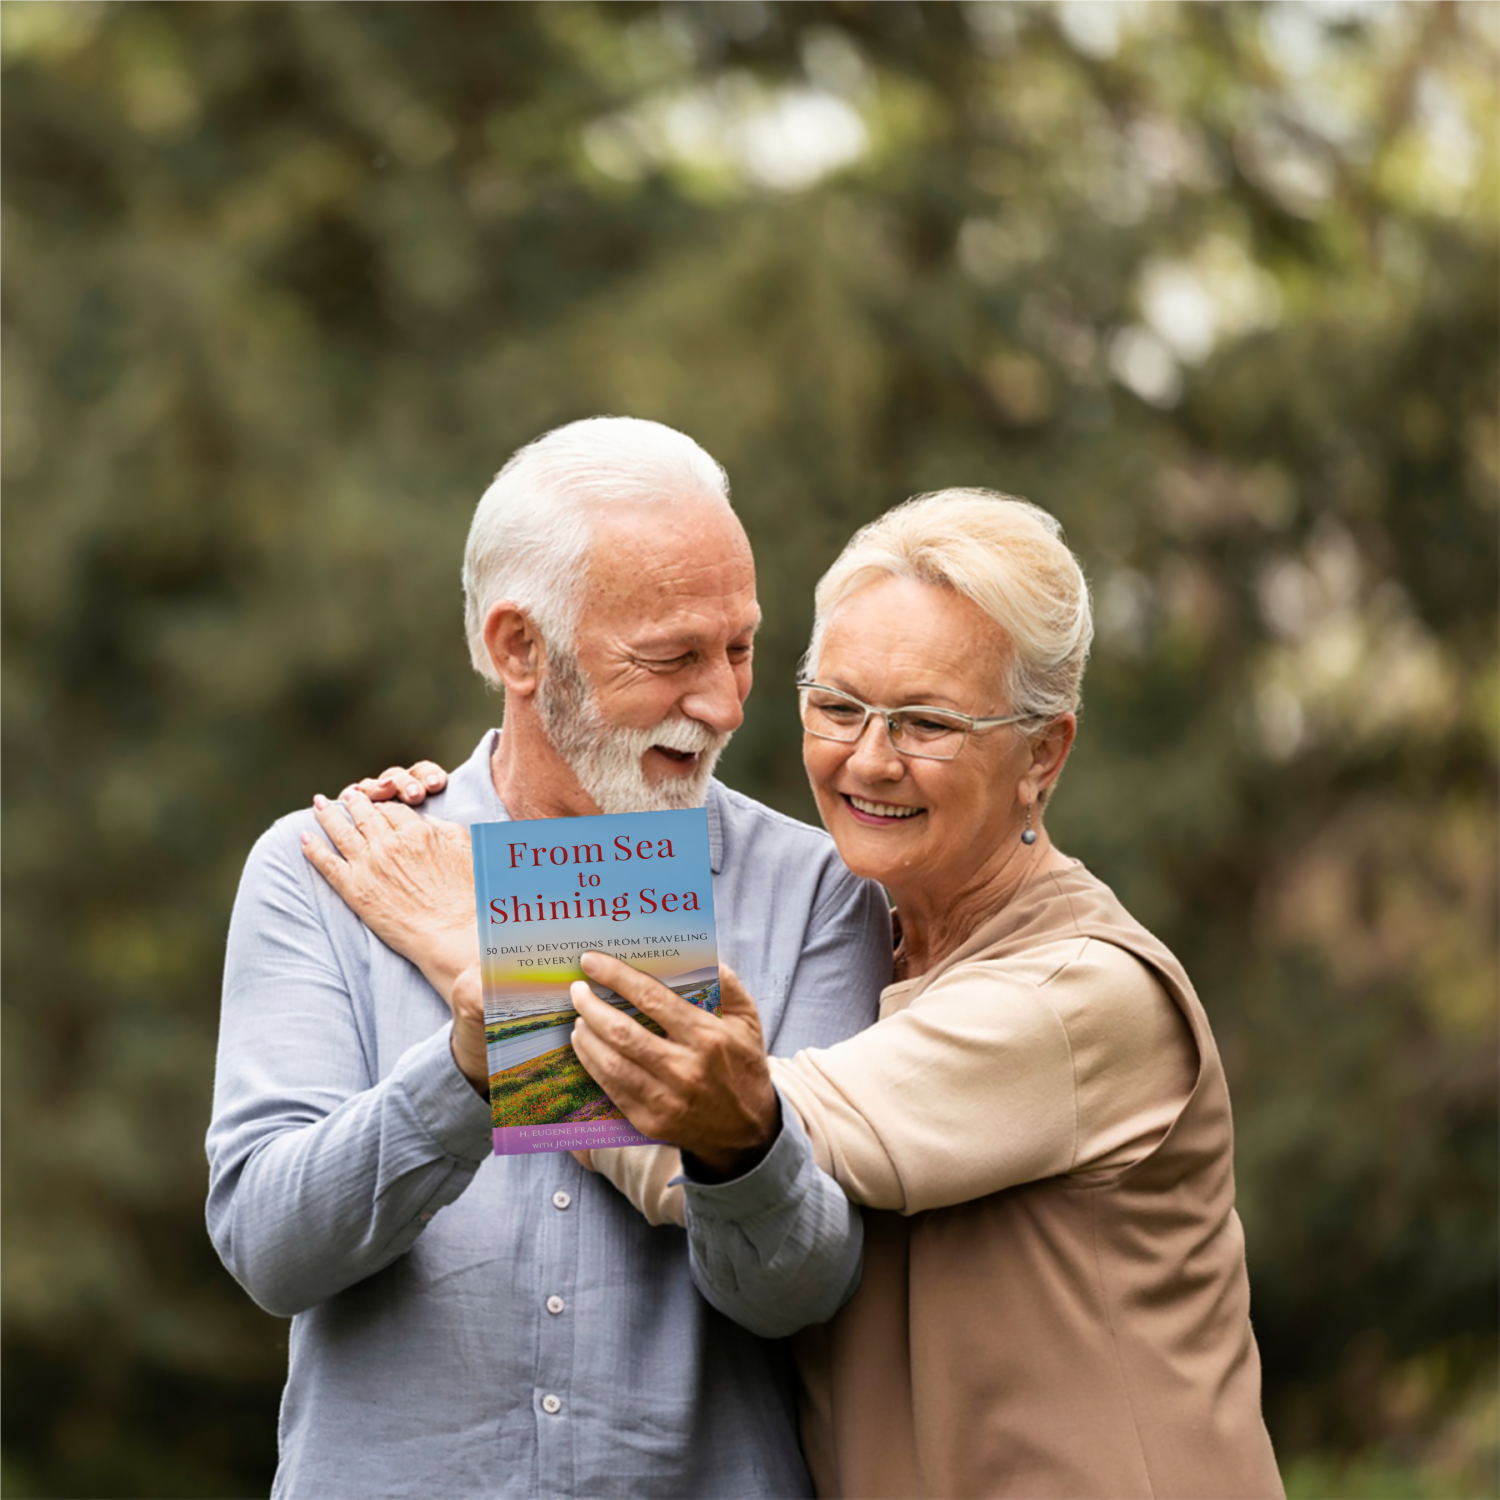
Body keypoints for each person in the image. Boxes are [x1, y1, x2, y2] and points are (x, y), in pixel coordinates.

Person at [357, 490, 1285, 1500]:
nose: (870, 758)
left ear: (1043, 754)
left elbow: (712, 1134)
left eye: (927, 722)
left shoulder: (1077, 994)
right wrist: (488, 806)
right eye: (839, 707)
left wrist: (474, 926)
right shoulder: (853, 937)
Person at [205, 416, 892, 1500]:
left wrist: (741, 1146)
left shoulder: (817, 893)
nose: (721, 703)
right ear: (519, 648)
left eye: (742, 647)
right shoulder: (324, 867)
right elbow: (270, 1250)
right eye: (670, 658)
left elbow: (805, 1295)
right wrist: (465, 1076)